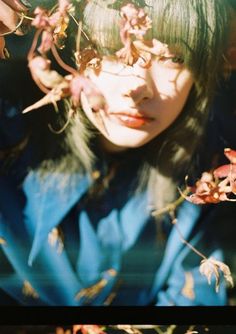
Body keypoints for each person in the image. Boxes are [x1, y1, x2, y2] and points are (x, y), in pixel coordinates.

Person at [0, 0, 235, 306]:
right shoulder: (8, 128)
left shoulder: (212, 182)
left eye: (174, 58)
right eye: (107, 51)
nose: (138, 87)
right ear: (67, 48)